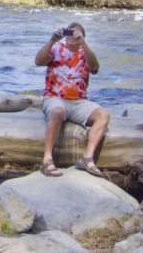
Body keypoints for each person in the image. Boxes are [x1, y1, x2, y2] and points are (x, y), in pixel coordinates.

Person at [34, 22, 110, 177]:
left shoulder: (85, 53)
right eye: (69, 33)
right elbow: (38, 61)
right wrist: (52, 40)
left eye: (76, 35)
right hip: (55, 97)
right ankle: (47, 159)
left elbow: (95, 68)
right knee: (57, 111)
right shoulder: (56, 49)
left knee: (103, 115)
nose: (71, 38)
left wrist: (83, 43)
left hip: (79, 101)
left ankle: (87, 158)